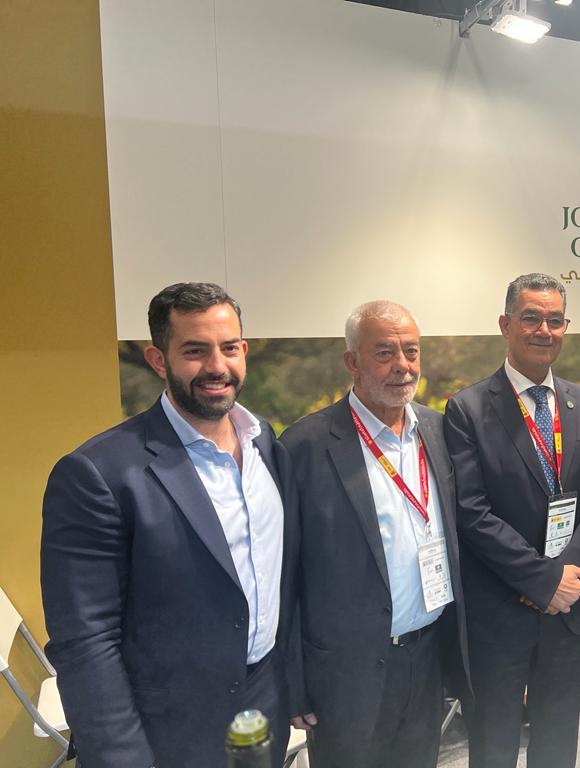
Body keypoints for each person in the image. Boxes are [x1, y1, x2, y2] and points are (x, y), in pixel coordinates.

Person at [40, 282, 297, 768]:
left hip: (264, 708)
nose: (217, 366)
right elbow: (85, 641)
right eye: (195, 351)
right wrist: (121, 756)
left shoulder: (265, 444)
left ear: (244, 351)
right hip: (166, 732)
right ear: (158, 360)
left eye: (229, 348)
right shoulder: (98, 473)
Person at [280, 300, 469, 768]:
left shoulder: (438, 430)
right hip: (345, 671)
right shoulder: (304, 446)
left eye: (411, 351)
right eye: (385, 352)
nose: (402, 365)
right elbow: (284, 574)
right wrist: (293, 681)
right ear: (352, 361)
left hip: (426, 656)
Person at [444, 273, 580, 768]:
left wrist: (566, 575)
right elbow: (471, 511)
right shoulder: (467, 409)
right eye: (531, 318)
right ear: (506, 325)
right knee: (495, 743)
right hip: (502, 608)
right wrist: (541, 579)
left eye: (555, 320)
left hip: (568, 605)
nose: (544, 330)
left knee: (559, 738)